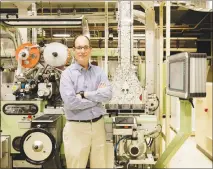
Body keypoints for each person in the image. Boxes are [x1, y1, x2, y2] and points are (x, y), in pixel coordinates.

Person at [59, 35, 112, 168]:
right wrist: (96, 100)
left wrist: (84, 95)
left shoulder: (99, 72)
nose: (82, 51)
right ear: (73, 50)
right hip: (77, 128)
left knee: (100, 164)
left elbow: (108, 94)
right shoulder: (67, 74)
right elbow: (71, 102)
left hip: (98, 126)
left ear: (90, 49)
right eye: (79, 47)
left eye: (85, 47)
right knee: (76, 165)